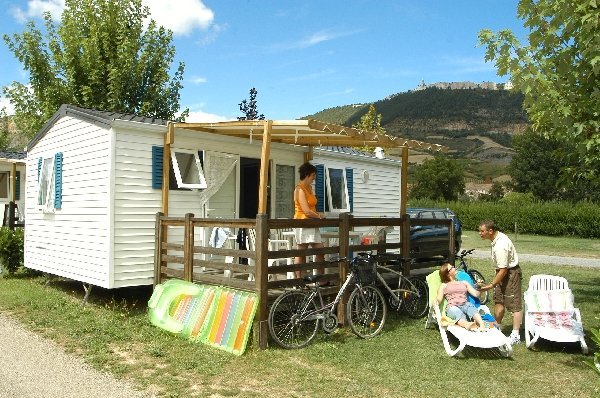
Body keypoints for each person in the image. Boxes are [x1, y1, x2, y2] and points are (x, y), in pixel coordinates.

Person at [478, 220, 523, 345]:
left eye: (482, 231)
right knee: (499, 300)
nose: (480, 233)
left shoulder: (500, 245)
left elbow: (504, 270)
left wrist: (491, 285)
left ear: (490, 231)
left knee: (514, 303)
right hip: (502, 272)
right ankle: (496, 326)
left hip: (510, 274)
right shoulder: (496, 239)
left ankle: (515, 335)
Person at [293, 162, 326, 284]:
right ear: (307, 175)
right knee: (301, 252)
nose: (314, 178)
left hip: (312, 224)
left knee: (320, 250)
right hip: (303, 223)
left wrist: (317, 216)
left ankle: (320, 280)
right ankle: (298, 280)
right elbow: (306, 211)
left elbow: (311, 207)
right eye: (313, 176)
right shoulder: (299, 189)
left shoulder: (309, 188)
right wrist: (319, 216)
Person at [436, 263, 487, 331]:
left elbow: (476, 294)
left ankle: (481, 324)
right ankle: (467, 324)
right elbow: (439, 298)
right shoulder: (444, 285)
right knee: (457, 312)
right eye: (452, 268)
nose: (455, 268)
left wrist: (479, 286)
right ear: (448, 274)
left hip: (465, 304)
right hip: (452, 306)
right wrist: (436, 302)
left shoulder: (464, 282)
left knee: (471, 308)